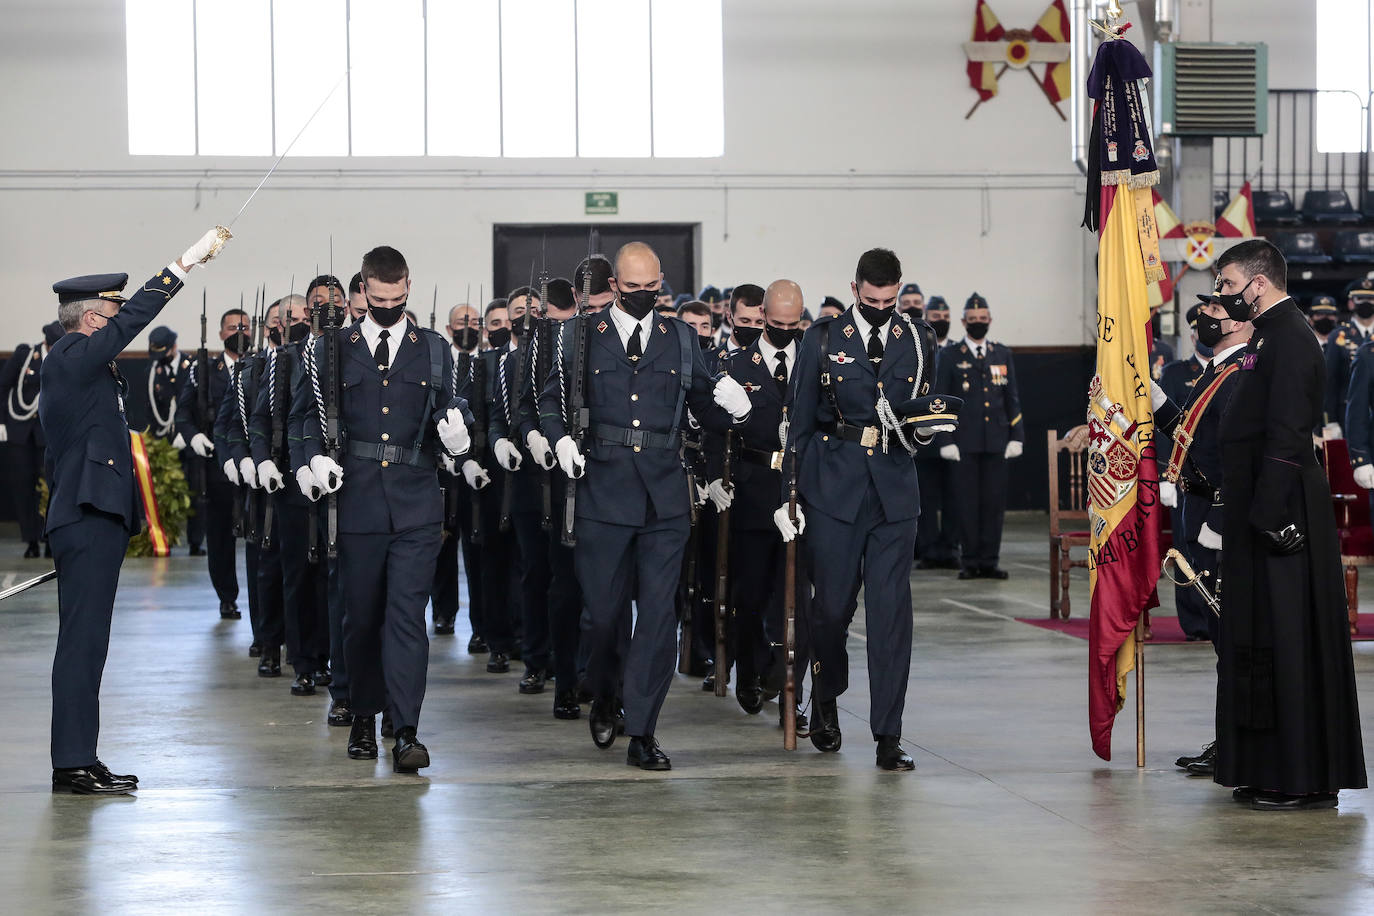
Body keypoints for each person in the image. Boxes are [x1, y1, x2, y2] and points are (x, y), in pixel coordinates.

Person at [539, 241, 753, 770]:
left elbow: (701, 404)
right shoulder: (580, 336)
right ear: (613, 287)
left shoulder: (680, 338)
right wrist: (557, 438)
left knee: (659, 617)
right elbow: (547, 401)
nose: (641, 297)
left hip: (664, 499)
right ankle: (606, 690)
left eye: (650, 289)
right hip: (602, 493)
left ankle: (643, 728)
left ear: (662, 285)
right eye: (631, 289)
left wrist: (736, 410)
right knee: (605, 616)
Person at [45, 226, 229, 794]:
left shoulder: (84, 363)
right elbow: (134, 321)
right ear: (91, 319)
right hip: (85, 512)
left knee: (90, 641)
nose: (113, 321)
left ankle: (81, 754)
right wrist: (181, 267)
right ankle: (72, 761)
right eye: (108, 313)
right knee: (82, 641)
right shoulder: (73, 353)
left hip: (92, 512)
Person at [294, 245, 472, 773]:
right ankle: (365, 717)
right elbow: (308, 417)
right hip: (358, 501)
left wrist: (459, 433)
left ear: (408, 288)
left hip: (418, 503)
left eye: (397, 298)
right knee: (362, 617)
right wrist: (310, 463)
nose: (388, 307)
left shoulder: (434, 348)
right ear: (363, 292)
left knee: (406, 618)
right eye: (378, 299)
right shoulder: (333, 348)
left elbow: (451, 406)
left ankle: (406, 729)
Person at [1211, 238, 1366, 809]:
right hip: (1259, 505)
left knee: (1289, 642)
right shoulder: (1267, 337)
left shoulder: (1292, 338)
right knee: (1260, 641)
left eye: (1228, 285)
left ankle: (1299, 777)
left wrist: (1270, 516)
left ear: (1259, 281)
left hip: (1281, 509)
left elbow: (1285, 433)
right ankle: (1266, 767)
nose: (1223, 297)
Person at [778, 247, 945, 770]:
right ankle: (826, 696)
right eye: (872, 300)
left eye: (890, 301)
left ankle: (888, 735)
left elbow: (926, 406)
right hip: (833, 487)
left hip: (894, 490)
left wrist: (931, 428)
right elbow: (799, 423)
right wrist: (791, 493)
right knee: (829, 609)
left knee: (892, 618)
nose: (881, 308)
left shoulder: (919, 339)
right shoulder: (823, 339)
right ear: (855, 290)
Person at [1152, 291, 1250, 772]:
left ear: (1238, 320)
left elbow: (1238, 458)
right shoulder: (1215, 370)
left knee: (1231, 636)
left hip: (1218, 516)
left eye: (1213, 309)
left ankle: (1239, 744)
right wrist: (1157, 402)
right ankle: (1227, 739)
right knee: (1218, 637)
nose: (1204, 317)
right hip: (1196, 506)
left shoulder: (1243, 374)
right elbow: (1194, 437)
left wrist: (1219, 517)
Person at [712, 278, 812, 731]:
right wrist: (714, 476)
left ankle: (792, 688)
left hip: (803, 490)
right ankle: (750, 671)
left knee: (797, 596)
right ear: (763, 317)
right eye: (777, 324)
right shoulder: (737, 364)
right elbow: (718, 429)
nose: (786, 331)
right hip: (753, 487)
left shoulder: (815, 361)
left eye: (795, 324)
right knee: (750, 593)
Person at [935, 293, 1024, 580]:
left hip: (997, 441)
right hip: (963, 442)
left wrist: (1017, 436)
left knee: (994, 504)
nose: (978, 324)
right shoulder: (950, 356)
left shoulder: (1002, 354)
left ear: (989, 321)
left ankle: (990, 560)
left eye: (982, 320)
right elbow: (942, 401)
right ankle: (970, 560)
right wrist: (945, 440)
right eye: (972, 320)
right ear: (963, 322)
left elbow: (1011, 399)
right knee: (966, 503)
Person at [176, 306, 252, 620]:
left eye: (245, 326)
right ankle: (227, 597)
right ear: (221, 334)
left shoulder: (262, 364)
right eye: (233, 327)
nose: (239, 332)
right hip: (216, 465)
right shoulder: (203, 369)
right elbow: (183, 414)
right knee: (220, 536)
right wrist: (194, 437)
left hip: (255, 464)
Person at [432, 301, 485, 640]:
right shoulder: (438, 363)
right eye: (462, 321)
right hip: (441, 472)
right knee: (442, 547)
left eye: (474, 321)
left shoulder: (487, 365)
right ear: (449, 329)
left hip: (478, 472)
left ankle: (481, 626)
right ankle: (443, 612)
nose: (469, 326)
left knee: (478, 551)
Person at [0, 321, 63, 557]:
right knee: (23, 487)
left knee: (50, 487)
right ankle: (31, 540)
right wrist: (2, 422)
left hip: (48, 434)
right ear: (46, 342)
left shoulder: (64, 357)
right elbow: (4, 385)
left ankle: (49, 538)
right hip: (20, 432)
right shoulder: (25, 355)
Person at [146, 325, 200, 554]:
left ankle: (196, 542)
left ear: (174, 346)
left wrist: (188, 434)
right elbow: (151, 408)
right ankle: (163, 540)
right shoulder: (154, 372)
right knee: (164, 491)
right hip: (165, 440)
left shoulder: (193, 366)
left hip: (190, 438)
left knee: (195, 490)